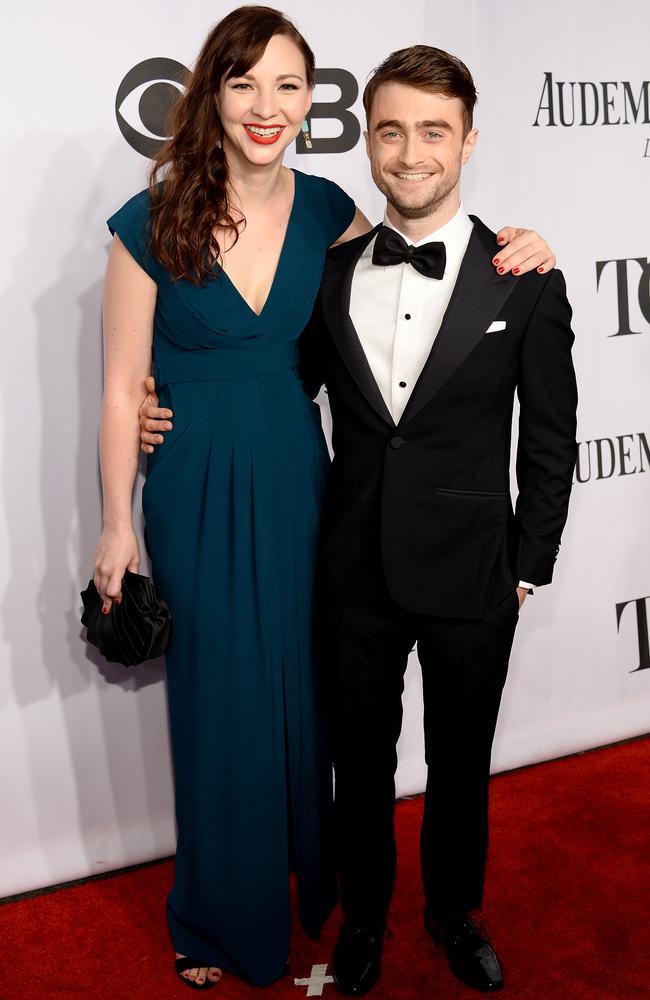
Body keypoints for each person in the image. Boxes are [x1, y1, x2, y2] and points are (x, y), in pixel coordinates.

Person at [100, 6, 556, 991]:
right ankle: (283, 916)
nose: (266, 106)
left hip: (381, 521)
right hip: (259, 508)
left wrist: (524, 242)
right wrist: (127, 475)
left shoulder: (363, 229)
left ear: (313, 103)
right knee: (280, 725)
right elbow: (156, 373)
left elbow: (525, 414)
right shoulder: (202, 225)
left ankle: (396, 904)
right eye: (243, 83)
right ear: (211, 94)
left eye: (287, 86)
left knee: (391, 741)